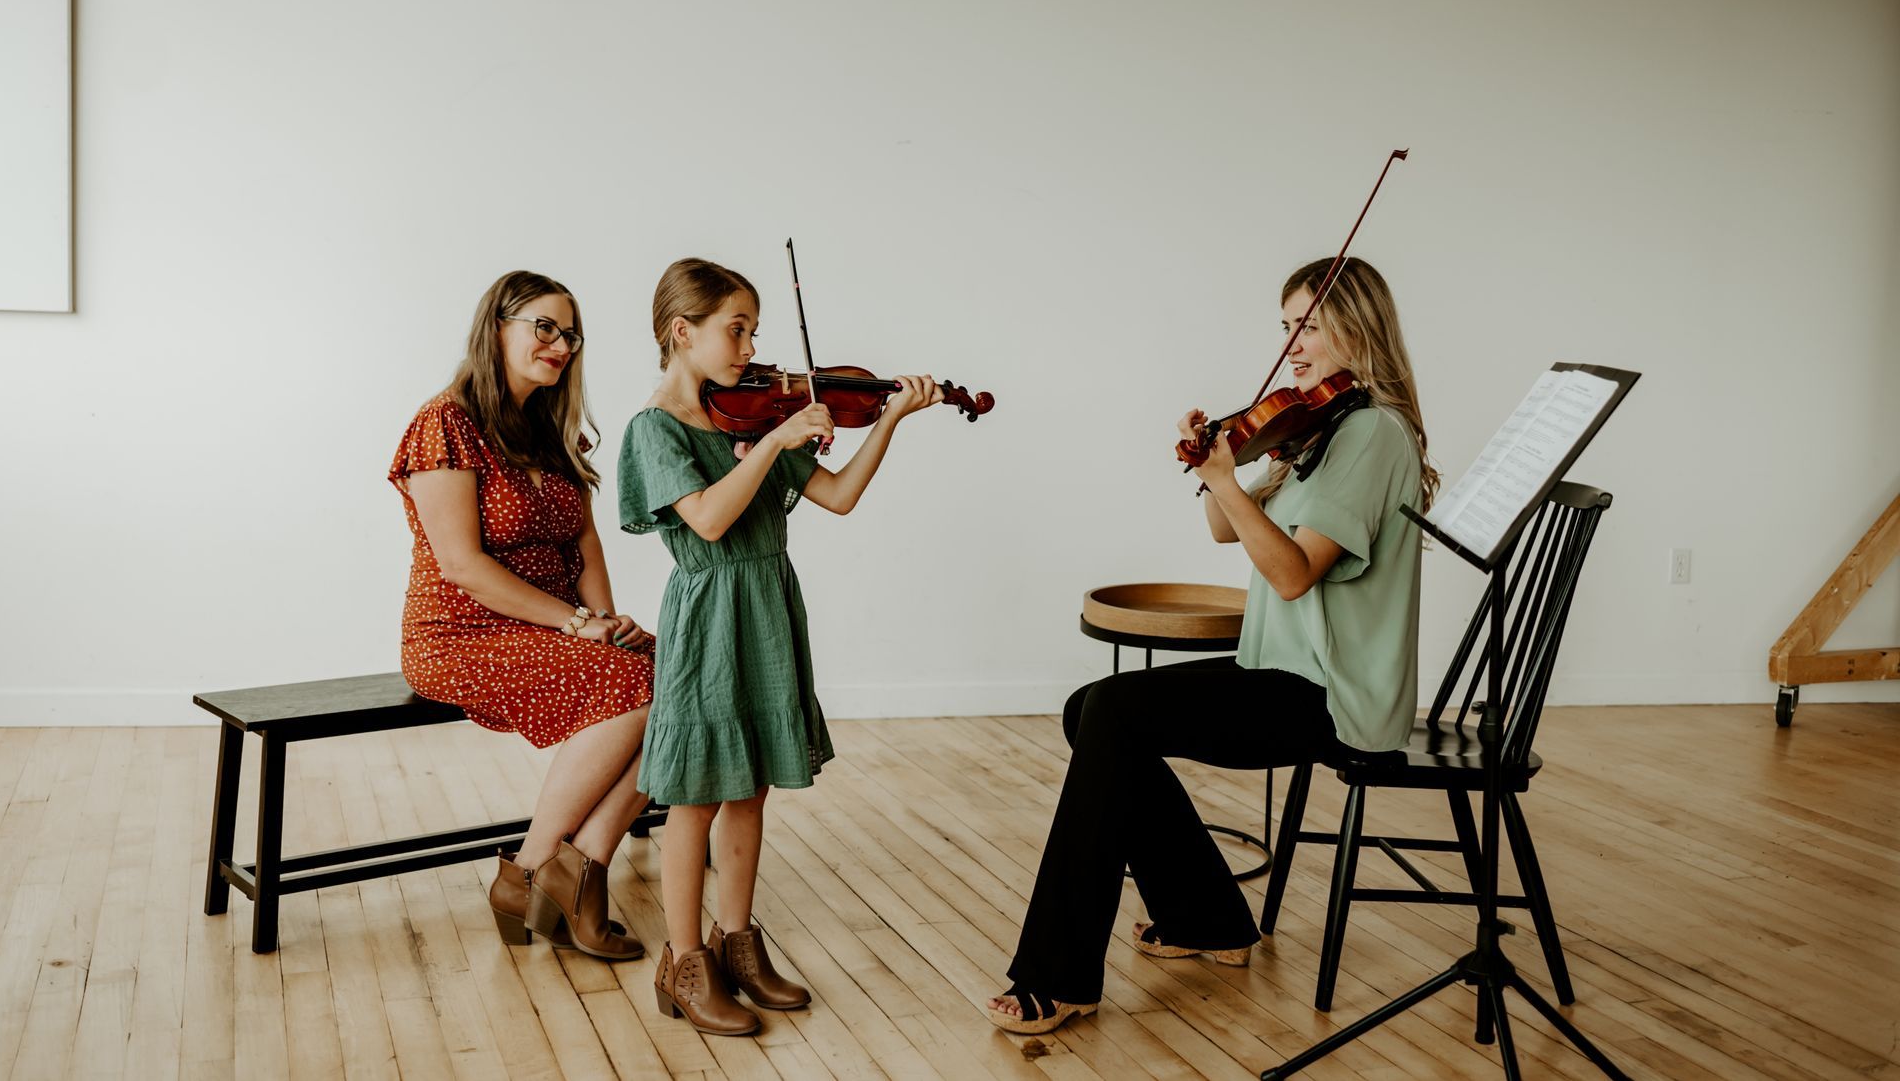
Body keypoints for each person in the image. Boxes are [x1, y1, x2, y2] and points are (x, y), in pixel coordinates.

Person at [987, 256, 1440, 1033]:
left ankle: (1059, 973)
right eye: (1286, 325)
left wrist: (1230, 476)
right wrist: (1226, 464)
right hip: (1284, 670)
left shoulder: (1368, 433)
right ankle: (1208, 919)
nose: (1293, 342)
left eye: (1309, 322)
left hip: (1331, 692)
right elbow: (1226, 525)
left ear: (1356, 325)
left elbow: (1294, 575)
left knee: (1115, 714)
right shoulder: (1322, 428)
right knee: (1089, 709)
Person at [619, 256, 942, 1036]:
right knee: (695, 792)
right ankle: (685, 961)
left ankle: (738, 942)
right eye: (736, 328)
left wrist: (889, 417)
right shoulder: (654, 429)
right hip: (709, 613)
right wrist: (775, 441)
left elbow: (838, 495)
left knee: (750, 783)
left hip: (766, 603)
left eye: (754, 329)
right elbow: (707, 520)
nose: (749, 346)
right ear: (680, 330)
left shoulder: (753, 414)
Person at [389, 270, 657, 961]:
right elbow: (463, 566)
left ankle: (573, 865)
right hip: (460, 634)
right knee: (636, 686)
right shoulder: (443, 423)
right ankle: (539, 870)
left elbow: (583, 540)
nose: (562, 343)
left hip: (553, 625)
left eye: (571, 332)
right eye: (545, 326)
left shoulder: (550, 430)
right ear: (496, 327)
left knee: (681, 677)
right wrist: (576, 624)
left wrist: (605, 617)